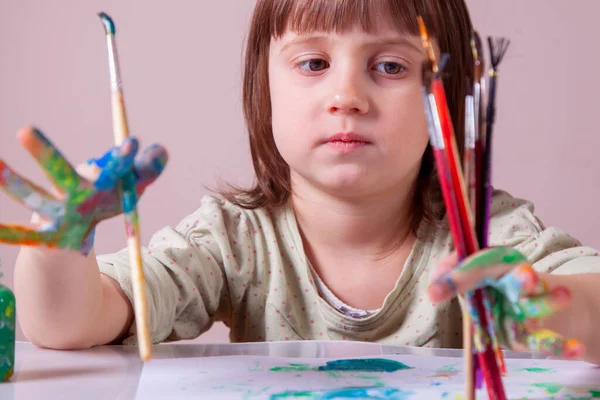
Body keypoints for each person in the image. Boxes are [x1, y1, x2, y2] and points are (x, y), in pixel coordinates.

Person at [4, 0, 599, 364]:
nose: (346, 97)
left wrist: (547, 307)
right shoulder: (232, 240)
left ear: (446, 96)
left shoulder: (485, 233)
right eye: (313, 64)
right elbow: (72, 326)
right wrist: (61, 244)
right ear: (264, 94)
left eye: (388, 66)